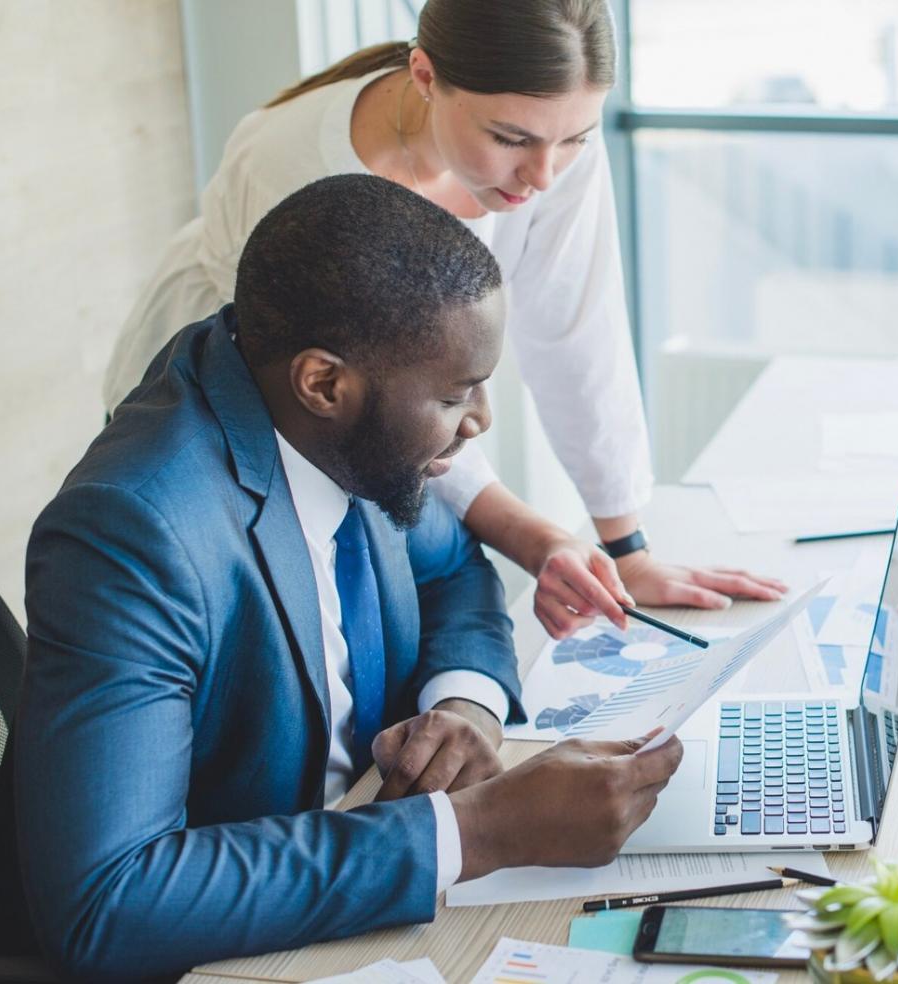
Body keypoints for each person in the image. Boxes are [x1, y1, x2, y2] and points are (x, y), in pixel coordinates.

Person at [0, 175, 684, 979]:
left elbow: (453, 566)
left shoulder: (335, 423)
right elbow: (108, 900)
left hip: (348, 889)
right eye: (456, 394)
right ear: (324, 383)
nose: (481, 418)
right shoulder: (134, 532)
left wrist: (465, 703)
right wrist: (477, 831)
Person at [102, 0, 785, 640]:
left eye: (574, 139)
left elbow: (577, 333)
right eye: (510, 138)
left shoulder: (546, 135)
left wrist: (625, 546)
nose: (544, 175)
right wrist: (529, 536)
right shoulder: (295, 172)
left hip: (384, 414)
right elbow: (393, 404)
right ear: (424, 76)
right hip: (241, 411)